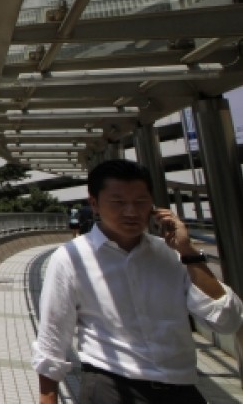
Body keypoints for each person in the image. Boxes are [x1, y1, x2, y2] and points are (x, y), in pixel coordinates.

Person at [32, 159, 243, 403]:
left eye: (140, 202)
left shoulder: (173, 255)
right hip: (111, 386)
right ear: (94, 204)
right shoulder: (71, 258)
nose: (131, 212)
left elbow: (228, 321)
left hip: (181, 388)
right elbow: (53, 337)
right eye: (118, 202)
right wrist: (48, 398)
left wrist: (189, 253)